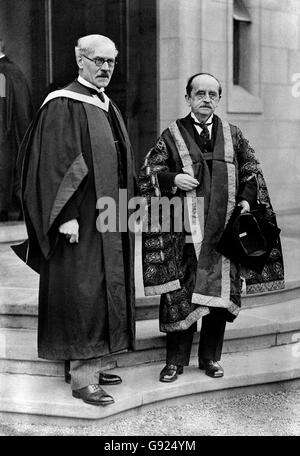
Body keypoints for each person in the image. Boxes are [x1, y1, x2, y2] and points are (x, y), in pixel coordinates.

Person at [138, 72, 284, 382]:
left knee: (217, 301)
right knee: (182, 296)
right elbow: (148, 173)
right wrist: (171, 179)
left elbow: (252, 172)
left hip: (224, 232)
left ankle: (210, 359)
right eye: (199, 93)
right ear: (188, 98)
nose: (206, 99)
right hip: (186, 234)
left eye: (212, 94)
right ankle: (175, 362)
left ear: (218, 99)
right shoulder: (171, 135)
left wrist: (246, 201)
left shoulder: (234, 134)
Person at [14, 35, 136, 406]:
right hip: (78, 220)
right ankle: (83, 377)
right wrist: (64, 215)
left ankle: (92, 360)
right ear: (79, 60)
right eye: (98, 60)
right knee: (82, 293)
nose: (105, 68)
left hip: (108, 215)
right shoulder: (62, 104)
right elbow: (52, 164)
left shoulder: (105, 104)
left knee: (100, 291)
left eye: (111, 62)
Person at [0, 38, 33, 221]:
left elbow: (1, 109)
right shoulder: (14, 71)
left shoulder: (2, 73)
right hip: (17, 134)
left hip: (5, 136)